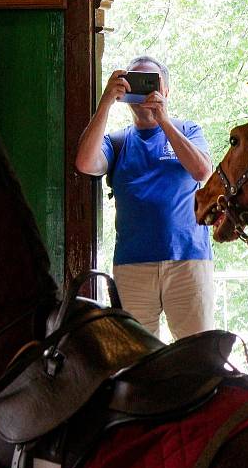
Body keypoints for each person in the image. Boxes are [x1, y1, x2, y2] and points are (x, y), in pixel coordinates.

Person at [75, 56, 215, 339]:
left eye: (152, 82)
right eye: (136, 83)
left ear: (166, 91)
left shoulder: (188, 130)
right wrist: (105, 103)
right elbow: (85, 163)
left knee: (198, 357)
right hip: (133, 266)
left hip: (188, 259)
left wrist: (163, 120)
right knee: (138, 359)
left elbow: (202, 171)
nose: (145, 91)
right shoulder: (117, 141)